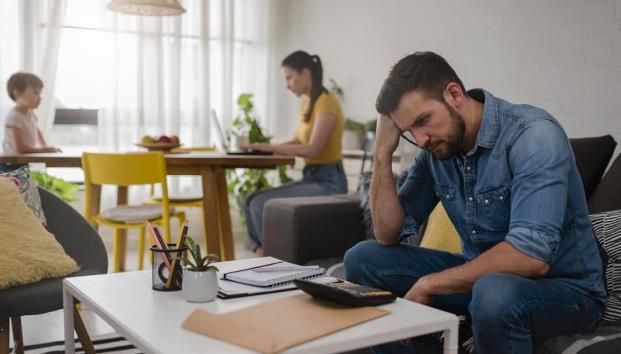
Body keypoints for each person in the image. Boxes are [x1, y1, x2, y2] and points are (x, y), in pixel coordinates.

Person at [343, 51, 605, 354]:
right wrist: (382, 154)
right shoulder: (436, 152)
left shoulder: (533, 135)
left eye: (423, 120)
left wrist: (430, 284)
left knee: (493, 292)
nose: (421, 139)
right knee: (362, 258)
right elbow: (388, 234)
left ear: (454, 94)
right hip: (480, 284)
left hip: (567, 292)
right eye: (408, 132)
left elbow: (531, 256)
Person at [241, 50, 348, 256]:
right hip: (311, 176)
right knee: (249, 200)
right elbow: (299, 141)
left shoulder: (327, 101)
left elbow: (313, 148)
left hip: (329, 181)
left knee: (259, 203)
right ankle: (266, 256)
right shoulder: (308, 102)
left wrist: (269, 147)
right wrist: (262, 147)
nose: (287, 84)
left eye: (289, 77)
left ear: (306, 73)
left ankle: (273, 259)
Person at [0, 72, 60, 172]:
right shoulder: (14, 116)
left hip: (21, 162)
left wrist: (45, 147)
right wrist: (44, 150)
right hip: (8, 164)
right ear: (17, 94)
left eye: (40, 93)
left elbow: (37, 131)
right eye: (35, 92)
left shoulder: (31, 114)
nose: (40, 97)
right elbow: (20, 148)